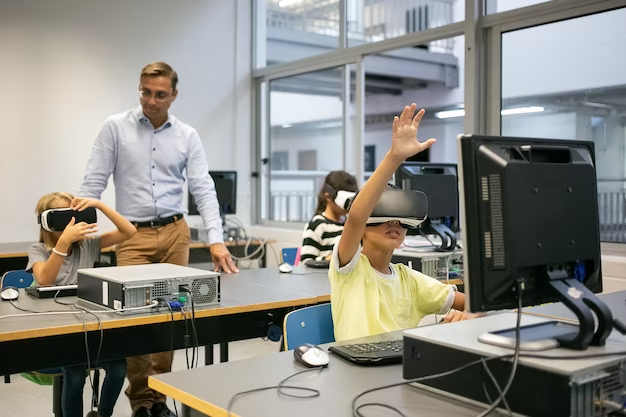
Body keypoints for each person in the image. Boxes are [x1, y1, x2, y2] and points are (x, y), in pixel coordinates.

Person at [78, 62, 238, 417]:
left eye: (160, 94)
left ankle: (160, 399)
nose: (151, 100)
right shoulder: (115, 128)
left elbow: (203, 189)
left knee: (171, 315)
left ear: (173, 95)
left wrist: (216, 239)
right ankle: (141, 401)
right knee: (137, 318)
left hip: (175, 231)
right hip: (132, 235)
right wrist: (77, 234)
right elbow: (93, 184)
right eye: (145, 92)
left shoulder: (187, 135)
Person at [330, 104, 470, 342]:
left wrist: (469, 313)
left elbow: (470, 302)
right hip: (357, 369)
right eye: (384, 217)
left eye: (401, 220)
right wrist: (395, 157)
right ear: (365, 226)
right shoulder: (349, 270)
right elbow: (356, 216)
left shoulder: (409, 279)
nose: (394, 223)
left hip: (400, 366)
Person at [27, 192, 137, 417]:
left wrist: (99, 205)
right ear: (50, 222)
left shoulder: (89, 245)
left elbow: (129, 231)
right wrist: (63, 243)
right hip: (58, 332)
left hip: (88, 327)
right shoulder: (37, 250)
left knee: (118, 367)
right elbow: (45, 279)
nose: (73, 224)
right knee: (75, 375)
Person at [300, 171, 358, 264]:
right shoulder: (317, 225)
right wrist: (335, 257)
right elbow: (306, 262)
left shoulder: (350, 225)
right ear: (328, 197)